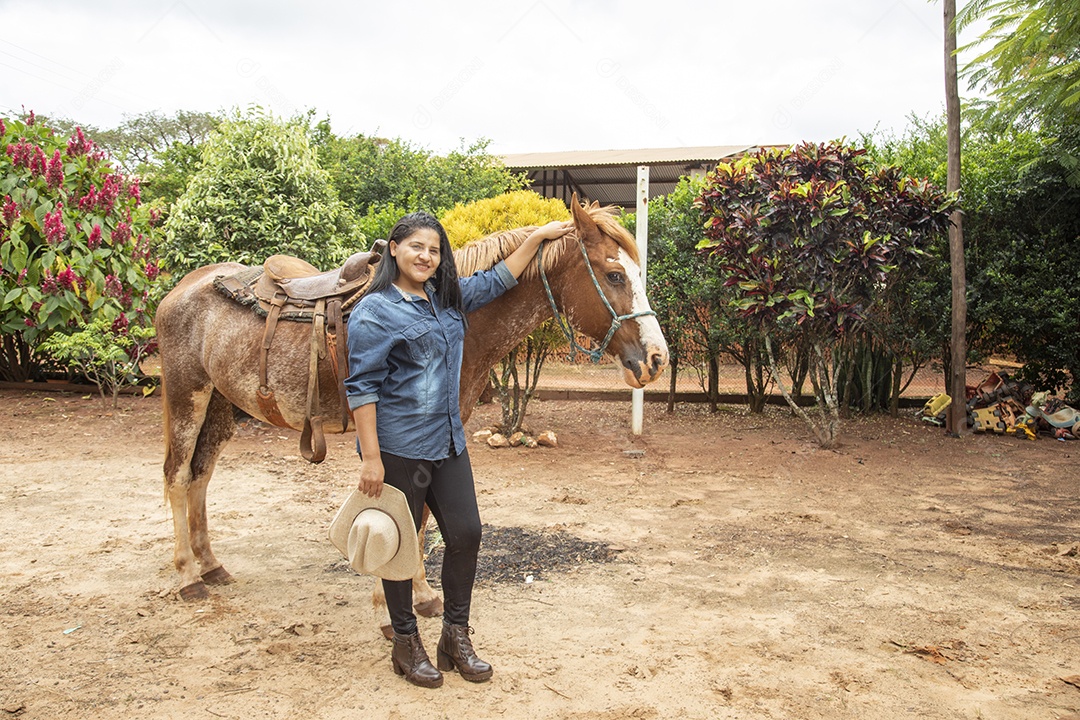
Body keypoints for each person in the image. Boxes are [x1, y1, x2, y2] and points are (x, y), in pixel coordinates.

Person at [344, 211, 572, 688]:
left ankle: (454, 636)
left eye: (435, 250)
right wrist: (371, 458)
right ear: (394, 249)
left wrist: (537, 237)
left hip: (447, 443)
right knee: (400, 546)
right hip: (399, 448)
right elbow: (362, 388)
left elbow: (500, 278)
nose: (426, 256)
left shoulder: (447, 298)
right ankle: (406, 642)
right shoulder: (374, 312)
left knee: (466, 534)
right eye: (416, 247)